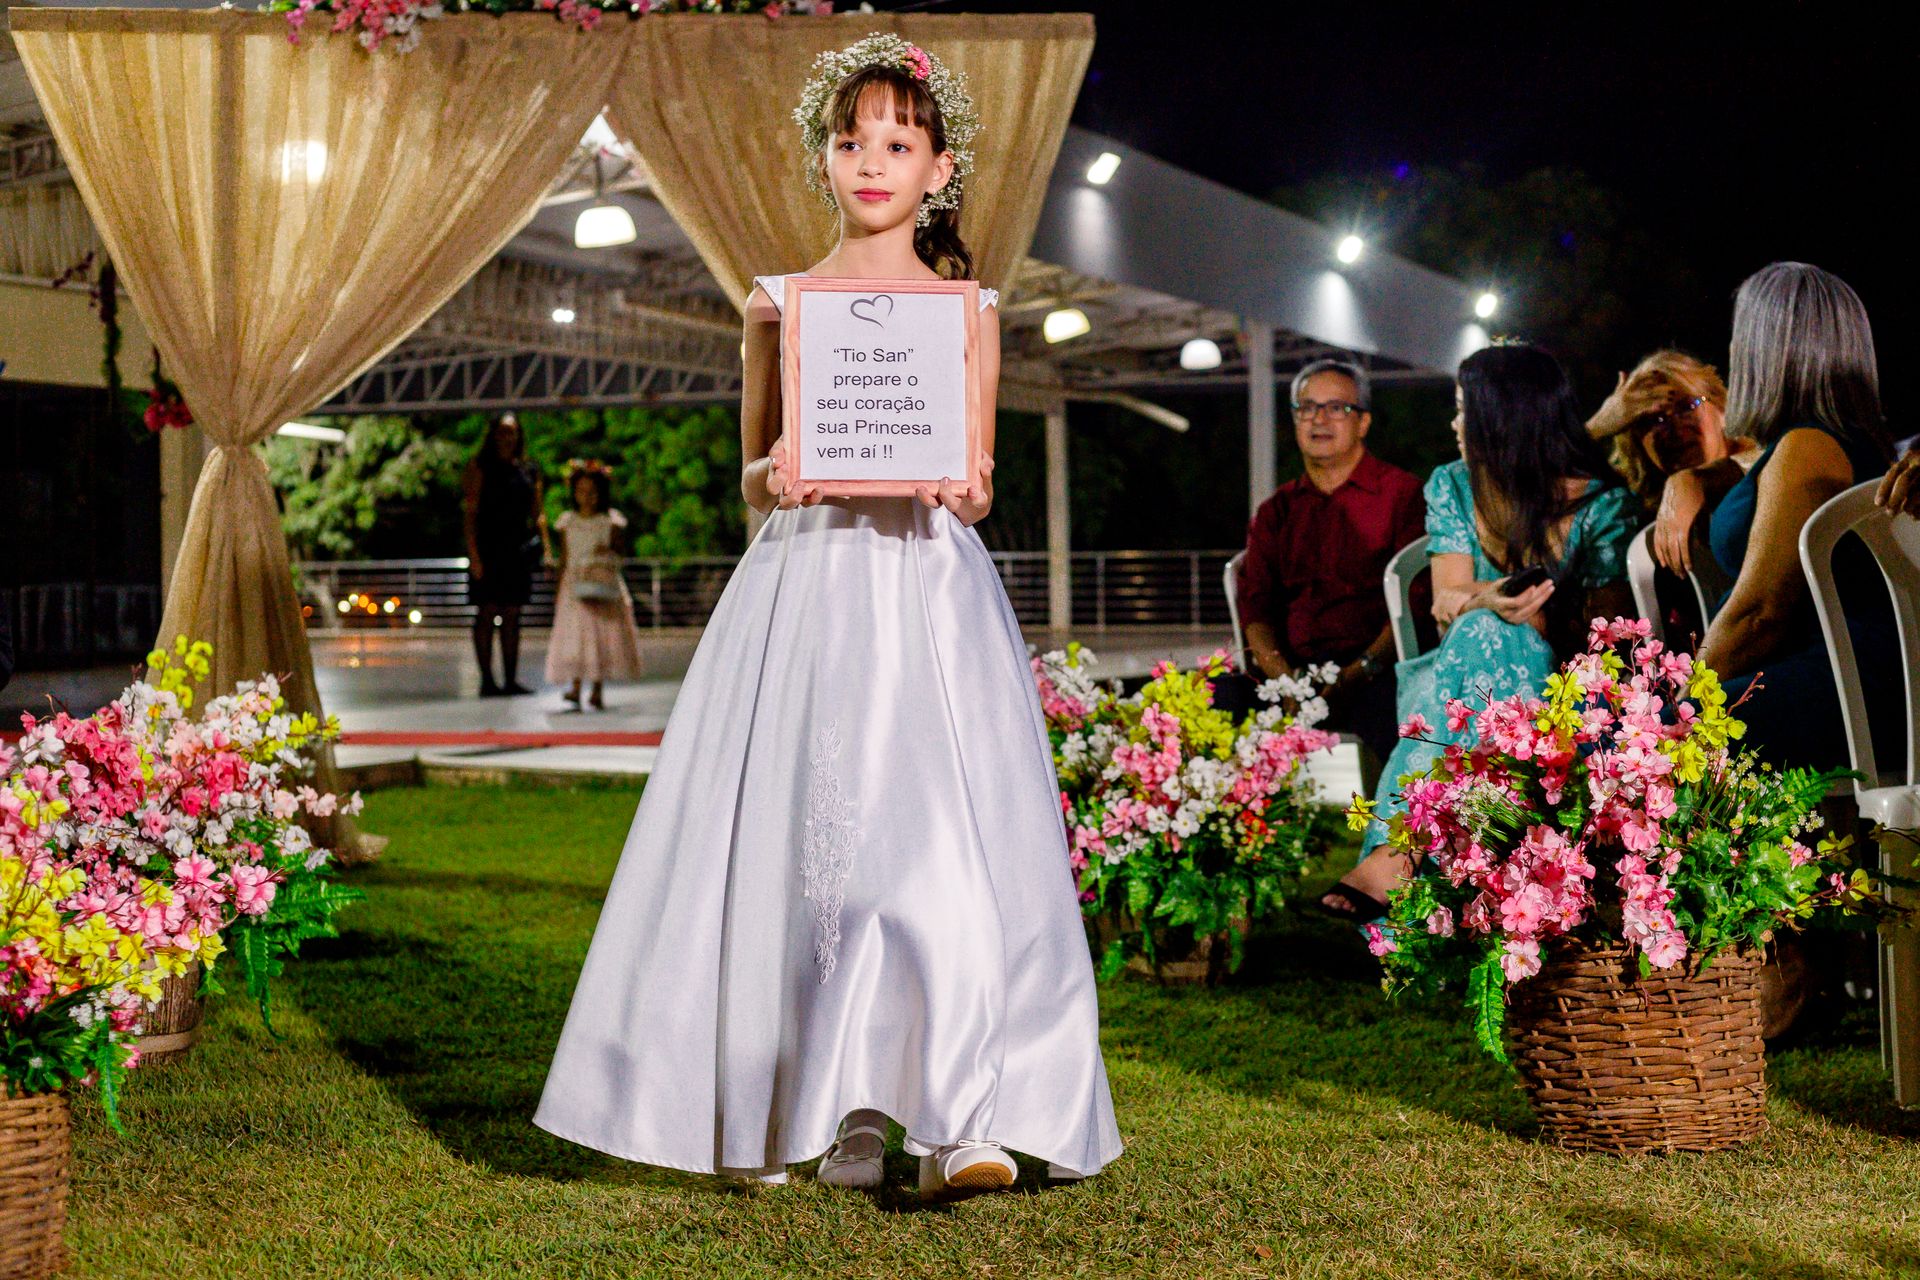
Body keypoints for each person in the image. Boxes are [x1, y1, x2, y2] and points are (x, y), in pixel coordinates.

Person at [533, 35, 1121, 1198]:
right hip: (810, 585)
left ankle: (964, 1114)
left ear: (938, 167)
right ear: (824, 157)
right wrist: (781, 472)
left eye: (898, 142)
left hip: (927, 588)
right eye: (852, 140)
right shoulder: (778, 304)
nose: (872, 161)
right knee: (815, 843)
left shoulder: (968, 308)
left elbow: (984, 473)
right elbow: (749, 472)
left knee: (944, 841)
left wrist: (966, 484)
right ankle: (835, 1110)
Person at [1323, 343, 1639, 919]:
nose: (1454, 422)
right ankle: (1428, 859)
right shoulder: (1453, 484)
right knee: (1483, 629)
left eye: (1465, 408)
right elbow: (1448, 597)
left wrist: (1543, 618)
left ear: (1505, 418)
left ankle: (1403, 851)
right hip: (1460, 685)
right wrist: (1488, 601)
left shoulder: (1600, 502)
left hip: (1561, 693)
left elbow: (1610, 634)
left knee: (1499, 633)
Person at [1696, 262, 1899, 772]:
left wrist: (1670, 704)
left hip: (1841, 686)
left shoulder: (1809, 447)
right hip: (1842, 679)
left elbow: (1761, 615)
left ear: (1763, 349)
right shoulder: (1841, 442)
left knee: (1612, 749)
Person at [1238, 358, 1426, 762]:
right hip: (1292, 674)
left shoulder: (1402, 496)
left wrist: (1355, 675)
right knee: (1221, 700)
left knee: (1391, 712)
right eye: (1307, 407)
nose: (1318, 419)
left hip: (1376, 670)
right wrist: (1285, 681)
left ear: (1363, 422)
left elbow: (1413, 606)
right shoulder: (1277, 510)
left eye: (1336, 407)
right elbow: (1255, 608)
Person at [1586, 350, 1760, 575]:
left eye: (1687, 407)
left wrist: (1697, 480)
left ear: (1721, 409)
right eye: (1654, 420)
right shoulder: (1631, 503)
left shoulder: (1766, 463)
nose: (1673, 429)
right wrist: (1598, 426)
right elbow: (1537, 485)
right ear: (1637, 443)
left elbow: (1767, 458)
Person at [540, 460, 644, 711]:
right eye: (581, 491)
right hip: (573, 585)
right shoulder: (568, 522)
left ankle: (597, 688)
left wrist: (606, 551)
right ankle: (575, 686)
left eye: (592, 491)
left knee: (600, 635)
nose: (587, 497)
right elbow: (565, 557)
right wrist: (557, 589)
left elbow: (621, 552)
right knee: (575, 635)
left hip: (602, 582)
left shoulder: (610, 521)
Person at [462, 413, 541, 697]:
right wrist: (474, 555)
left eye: (512, 432)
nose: (507, 437)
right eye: (502, 431)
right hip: (488, 546)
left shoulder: (528, 469)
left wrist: (545, 547)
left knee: (512, 613)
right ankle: (487, 679)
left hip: (516, 549)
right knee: (486, 612)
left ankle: (510, 679)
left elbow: (538, 513)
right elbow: (470, 513)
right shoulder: (480, 467)